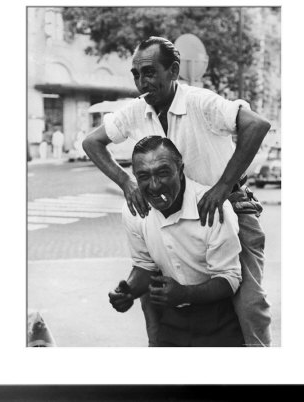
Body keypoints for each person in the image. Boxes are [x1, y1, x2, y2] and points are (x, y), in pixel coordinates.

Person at [83, 36, 272, 346]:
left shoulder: (200, 101)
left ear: (173, 70)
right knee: (151, 298)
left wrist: (222, 187)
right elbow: (92, 142)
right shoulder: (136, 110)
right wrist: (127, 182)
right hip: (166, 214)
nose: (142, 82)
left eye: (149, 72)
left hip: (222, 210)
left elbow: (256, 125)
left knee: (249, 304)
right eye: (136, 74)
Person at [109, 136, 244, 347]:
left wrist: (185, 293)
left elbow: (229, 278)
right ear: (134, 177)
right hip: (170, 320)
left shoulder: (213, 207)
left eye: (163, 173)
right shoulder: (134, 211)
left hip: (219, 320)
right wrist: (129, 291)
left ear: (180, 171)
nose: (154, 186)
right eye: (143, 176)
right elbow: (145, 266)